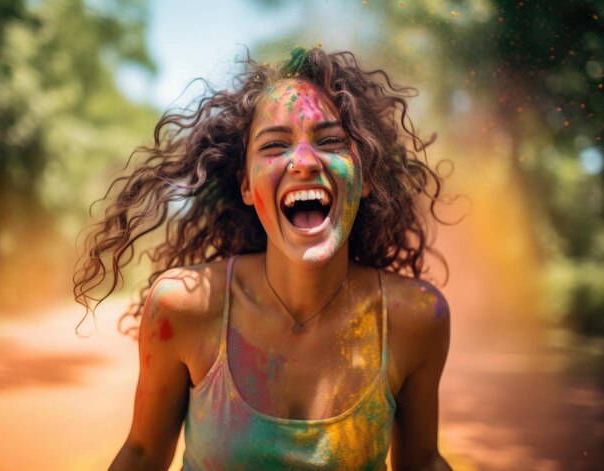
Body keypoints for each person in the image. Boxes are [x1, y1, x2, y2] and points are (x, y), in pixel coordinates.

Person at [74, 47, 452, 470]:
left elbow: (423, 461)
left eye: (330, 141)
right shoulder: (183, 308)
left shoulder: (414, 318)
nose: (305, 162)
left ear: (364, 178)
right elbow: (142, 455)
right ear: (246, 187)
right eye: (274, 146)